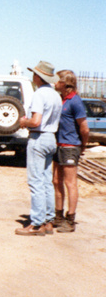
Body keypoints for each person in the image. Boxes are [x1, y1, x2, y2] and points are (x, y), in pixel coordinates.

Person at [15, 61, 62, 236]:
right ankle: (49, 221)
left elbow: (35, 121)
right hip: (51, 137)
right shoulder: (56, 96)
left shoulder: (39, 95)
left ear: (37, 77)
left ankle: (36, 223)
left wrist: (23, 122)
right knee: (46, 180)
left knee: (35, 181)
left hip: (39, 137)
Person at [52, 70, 89, 233]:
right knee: (56, 181)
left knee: (70, 182)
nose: (55, 83)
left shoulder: (75, 101)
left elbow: (84, 128)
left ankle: (70, 218)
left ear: (65, 84)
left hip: (70, 146)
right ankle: (58, 216)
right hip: (58, 145)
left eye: (57, 81)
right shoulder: (61, 100)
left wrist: (82, 146)